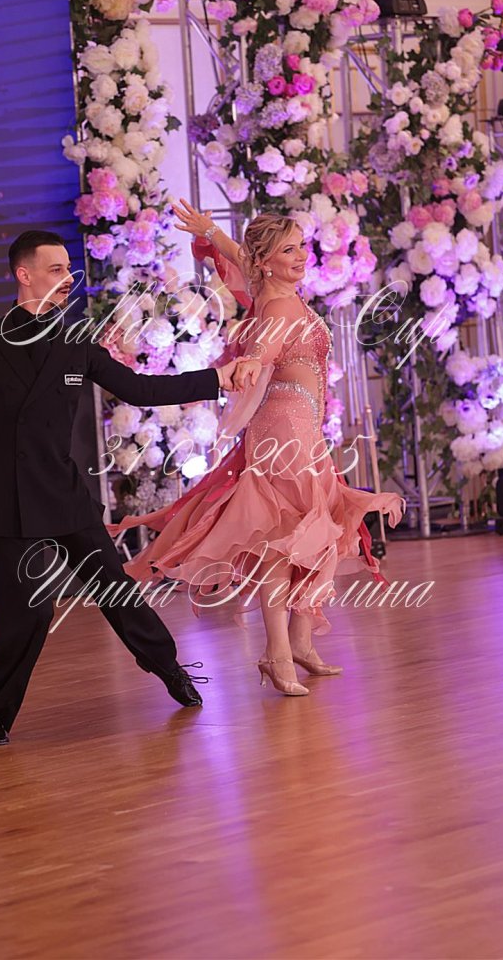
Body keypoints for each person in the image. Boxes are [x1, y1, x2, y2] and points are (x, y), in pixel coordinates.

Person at [0, 229, 246, 744]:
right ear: (24, 274)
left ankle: (171, 671)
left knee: (117, 590)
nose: (67, 279)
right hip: (7, 500)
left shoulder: (76, 346)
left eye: (69, 270)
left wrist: (217, 378)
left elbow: (141, 389)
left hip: (62, 493)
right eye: (55, 269)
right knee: (27, 614)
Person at [107, 204, 405, 697]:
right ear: (267, 261)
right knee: (284, 538)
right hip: (285, 432)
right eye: (290, 250)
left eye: (302, 246)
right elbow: (264, 346)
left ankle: (299, 643)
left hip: (299, 428)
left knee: (315, 531)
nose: (302, 256)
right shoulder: (279, 307)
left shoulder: (269, 286)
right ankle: (277, 652)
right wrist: (249, 364)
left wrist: (211, 231)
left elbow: (240, 257)